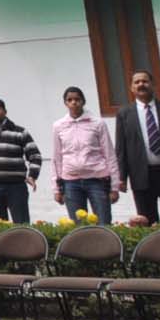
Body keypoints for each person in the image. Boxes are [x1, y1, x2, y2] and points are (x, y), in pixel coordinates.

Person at [50, 85, 118, 221]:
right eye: (69, 100)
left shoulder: (98, 123)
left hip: (97, 180)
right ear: (65, 103)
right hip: (70, 182)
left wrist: (114, 186)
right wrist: (56, 189)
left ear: (83, 101)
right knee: (78, 226)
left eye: (77, 99)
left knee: (103, 222)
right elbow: (57, 158)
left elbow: (109, 154)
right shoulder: (58, 126)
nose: (74, 102)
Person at [116, 70, 160, 225]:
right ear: (131, 88)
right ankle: (152, 249)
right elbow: (121, 147)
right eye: (136, 82)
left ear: (153, 85)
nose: (141, 85)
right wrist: (121, 177)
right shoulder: (124, 113)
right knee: (147, 220)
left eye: (144, 81)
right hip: (140, 174)